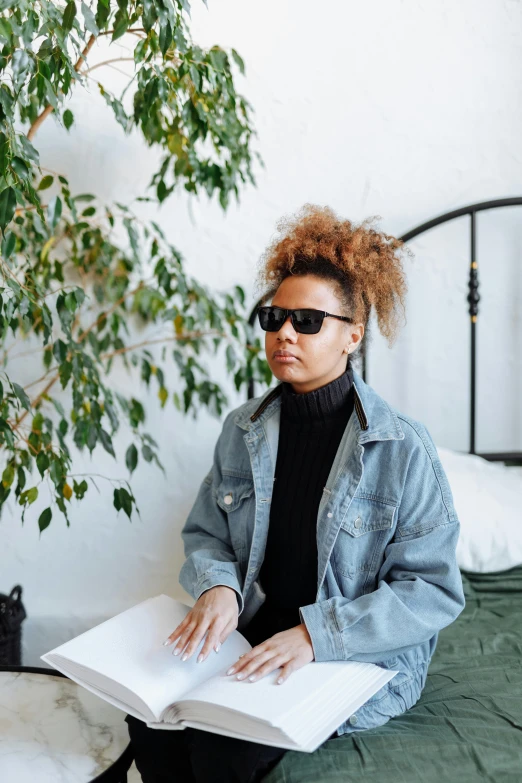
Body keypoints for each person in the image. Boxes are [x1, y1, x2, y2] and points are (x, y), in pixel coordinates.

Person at [125, 204, 466, 782]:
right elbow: (206, 533)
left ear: (352, 335)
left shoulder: (403, 448)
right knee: (149, 720)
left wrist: (316, 634)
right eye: (275, 317)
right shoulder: (244, 429)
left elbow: (431, 592)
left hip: (351, 653)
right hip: (256, 630)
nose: (285, 332)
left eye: (308, 320)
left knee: (222, 749)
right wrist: (218, 588)